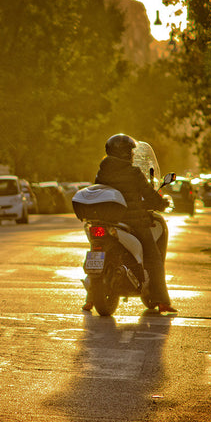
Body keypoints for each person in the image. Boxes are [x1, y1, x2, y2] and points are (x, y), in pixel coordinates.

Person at [84, 133, 177, 314]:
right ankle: (162, 301)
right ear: (125, 154)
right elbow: (149, 194)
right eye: (131, 152)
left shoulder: (102, 171)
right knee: (153, 258)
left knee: (96, 251)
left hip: (107, 220)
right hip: (133, 221)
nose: (133, 155)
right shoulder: (133, 172)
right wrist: (161, 203)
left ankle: (89, 299)